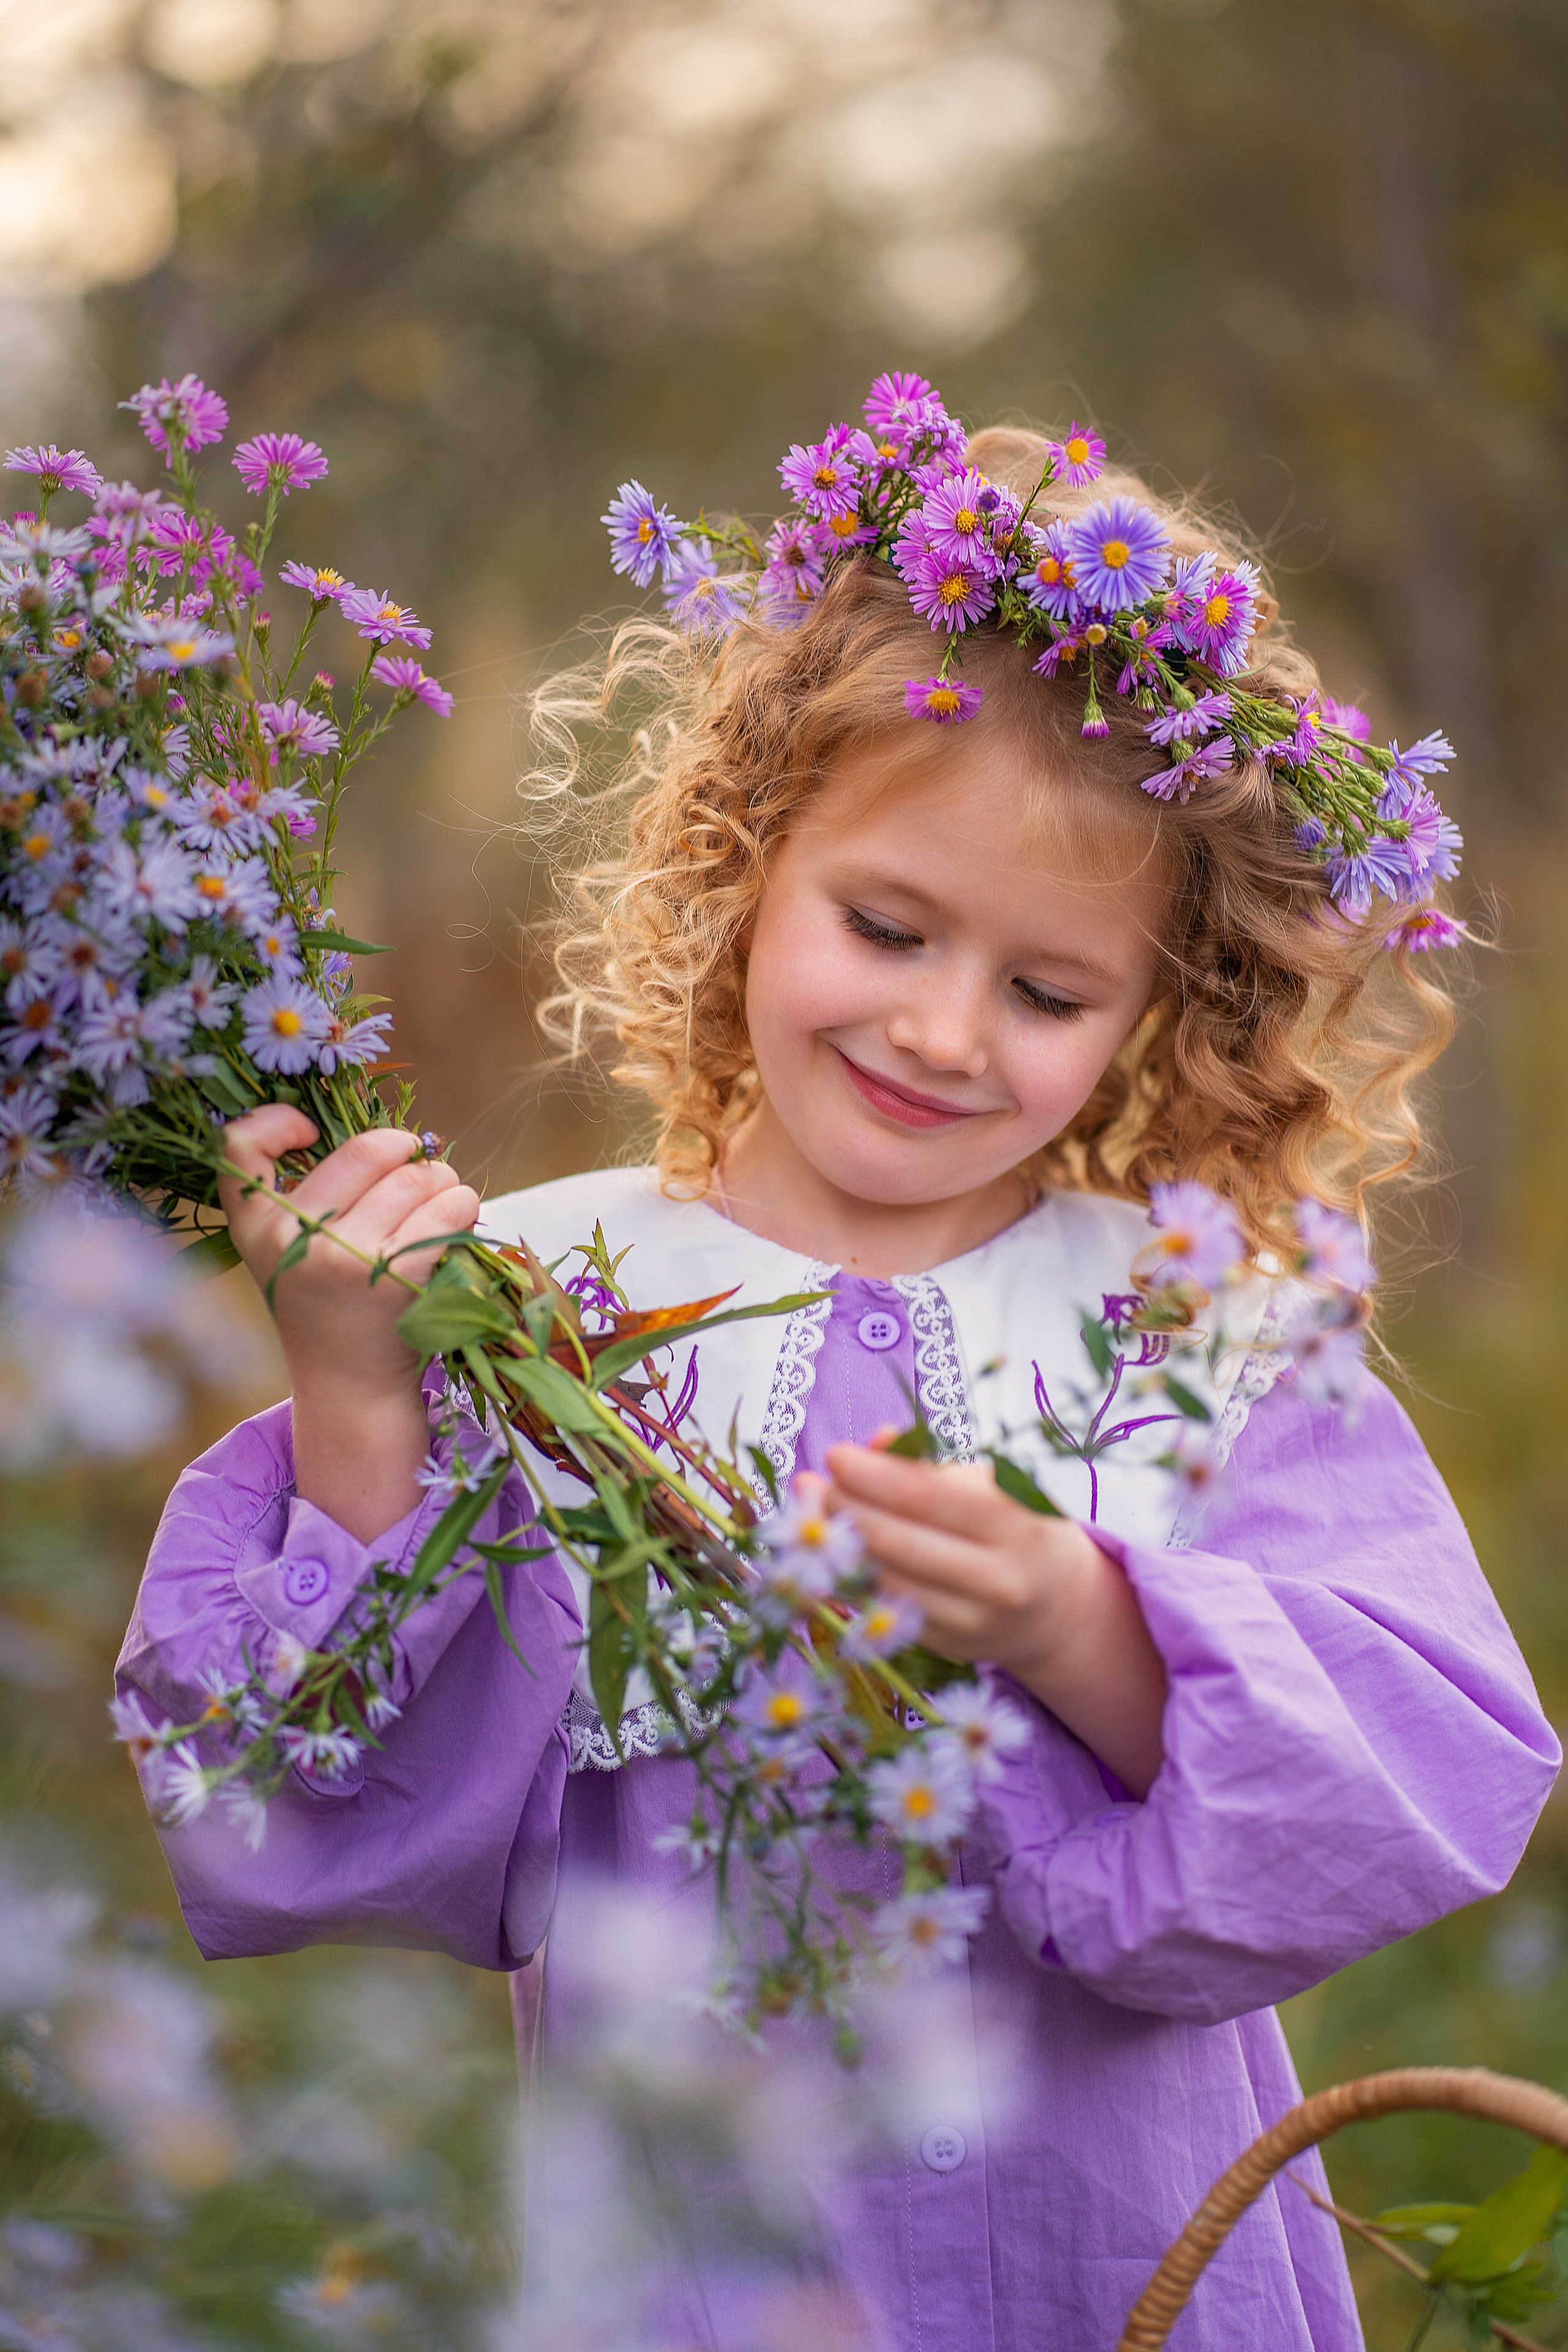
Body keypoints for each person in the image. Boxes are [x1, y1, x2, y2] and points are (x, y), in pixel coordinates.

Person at [118, 382, 1558, 2351]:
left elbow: (1412, 1783)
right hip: (704, 2277)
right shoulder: (547, 1301)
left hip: (1130, 2268)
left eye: (1047, 988)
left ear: (1154, 1010)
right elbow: (313, 1817)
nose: (946, 1031)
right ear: (742, 867)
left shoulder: (1193, 1329)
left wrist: (1084, 1627)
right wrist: (364, 1394)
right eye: (886, 927)